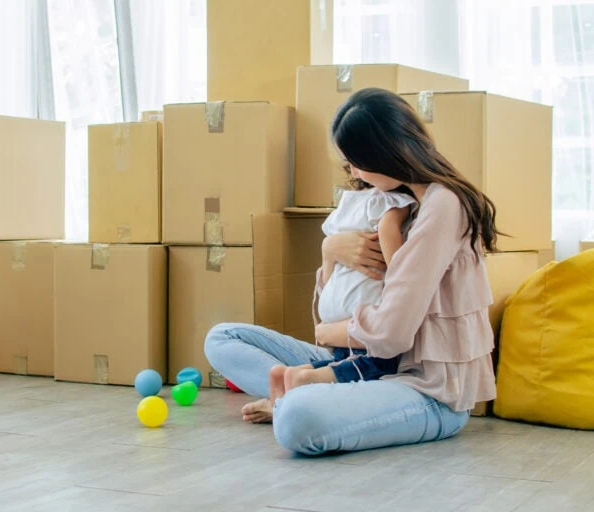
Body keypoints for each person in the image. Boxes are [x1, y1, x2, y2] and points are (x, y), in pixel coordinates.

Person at [204, 87, 499, 454]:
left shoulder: (444, 205)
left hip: (425, 391)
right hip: (356, 359)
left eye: (358, 161)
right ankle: (311, 390)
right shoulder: (394, 201)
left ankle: (300, 396)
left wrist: (327, 332)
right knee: (221, 338)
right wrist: (329, 252)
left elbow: (391, 334)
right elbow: (338, 300)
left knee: (298, 421)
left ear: (387, 153)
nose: (355, 172)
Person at [268, 185, 416, 404]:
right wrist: (401, 273)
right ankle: (306, 377)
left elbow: (330, 259)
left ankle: (289, 376)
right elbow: (388, 229)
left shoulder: (348, 202)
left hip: (334, 305)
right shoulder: (392, 200)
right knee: (377, 365)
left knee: (344, 361)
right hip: (363, 308)